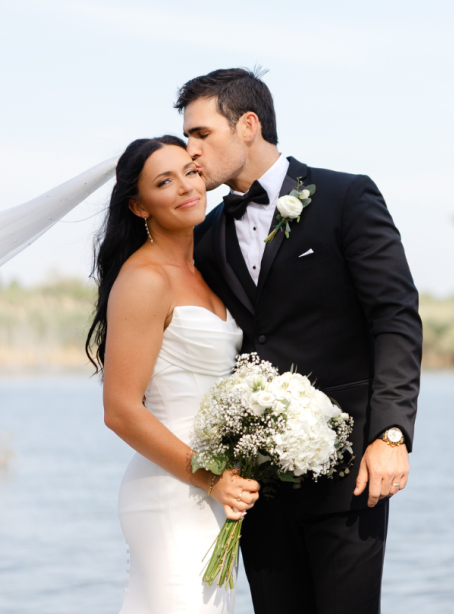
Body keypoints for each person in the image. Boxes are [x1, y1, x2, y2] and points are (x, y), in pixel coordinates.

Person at [177, 68, 423, 614]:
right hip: (256, 486)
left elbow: (395, 316)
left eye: (201, 134)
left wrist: (391, 434)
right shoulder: (205, 236)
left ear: (247, 125)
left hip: (349, 473)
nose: (190, 151)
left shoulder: (345, 196)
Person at [86, 135, 261, 613]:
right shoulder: (144, 280)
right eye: (165, 182)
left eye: (190, 171)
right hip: (171, 490)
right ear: (140, 207)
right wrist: (211, 479)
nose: (186, 187)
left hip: (214, 489)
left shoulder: (204, 270)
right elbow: (120, 411)